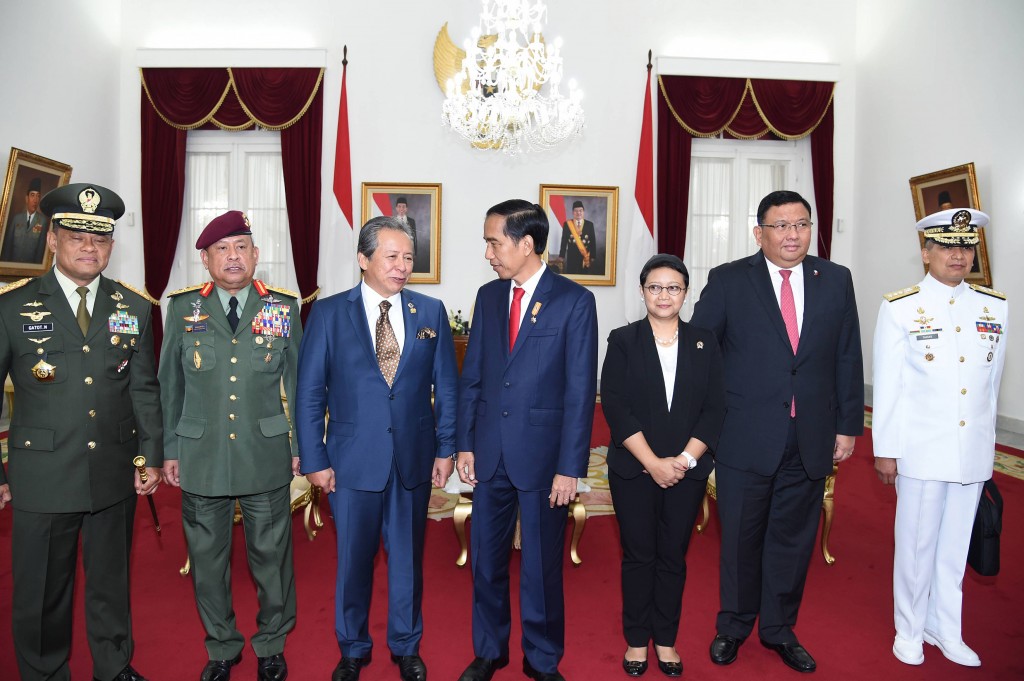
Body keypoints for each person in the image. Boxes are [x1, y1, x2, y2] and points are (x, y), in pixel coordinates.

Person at [690, 190, 864, 674]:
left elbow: (848, 355)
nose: (793, 234)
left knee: (792, 538)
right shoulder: (728, 280)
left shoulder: (835, 280)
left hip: (811, 434)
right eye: (781, 225)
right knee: (742, 538)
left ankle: (780, 630)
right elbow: (703, 353)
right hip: (745, 435)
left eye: (801, 224)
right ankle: (734, 625)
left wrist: (848, 425)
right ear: (759, 232)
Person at [0, 182, 162, 681]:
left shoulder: (132, 307)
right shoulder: (12, 306)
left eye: (101, 238)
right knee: (44, 588)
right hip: (43, 473)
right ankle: (46, 672)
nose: (90, 247)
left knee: (111, 581)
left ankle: (113, 665)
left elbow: (144, 389)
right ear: (52, 239)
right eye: (77, 236)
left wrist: (151, 456)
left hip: (114, 468)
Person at [294, 216, 457, 681]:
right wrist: (315, 460)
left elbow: (447, 387)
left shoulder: (429, 312)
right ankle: (353, 648)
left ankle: (406, 645)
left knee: (407, 561)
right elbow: (310, 394)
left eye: (409, 257)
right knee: (352, 562)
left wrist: (445, 450)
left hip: (413, 460)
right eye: (392, 256)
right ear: (363, 259)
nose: (403, 266)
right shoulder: (328, 314)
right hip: (349, 463)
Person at [455, 199, 598, 681]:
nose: (489, 253)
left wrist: (569, 467)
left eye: (494, 242)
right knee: (486, 565)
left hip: (544, 461)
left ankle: (541, 660)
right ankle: (488, 652)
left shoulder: (574, 301)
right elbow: (471, 377)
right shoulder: (490, 296)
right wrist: (465, 444)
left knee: (540, 570)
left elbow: (581, 392)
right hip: (490, 455)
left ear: (526, 244)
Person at [159, 210, 301, 681]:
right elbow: (169, 386)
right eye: (223, 249)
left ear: (256, 254)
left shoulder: (282, 307)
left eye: (242, 246)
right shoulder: (181, 309)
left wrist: (304, 445)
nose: (233, 256)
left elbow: (300, 384)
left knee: (272, 556)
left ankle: (272, 643)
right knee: (207, 559)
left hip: (265, 452)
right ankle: (222, 645)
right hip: (201, 454)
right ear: (205, 259)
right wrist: (170, 450)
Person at [872, 208, 1008, 668]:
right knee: (916, 546)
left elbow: (990, 389)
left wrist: (987, 449)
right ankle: (908, 629)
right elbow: (889, 389)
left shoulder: (995, 306)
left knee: (953, 550)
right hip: (921, 451)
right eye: (948, 246)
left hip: (970, 453)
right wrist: (887, 451)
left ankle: (945, 628)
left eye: (966, 246)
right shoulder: (901, 307)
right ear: (926, 252)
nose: (958, 255)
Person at [601, 254, 725, 678]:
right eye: (655, 287)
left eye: (673, 287)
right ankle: (637, 640)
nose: (664, 295)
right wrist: (654, 462)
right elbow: (616, 408)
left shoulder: (706, 340)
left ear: (685, 293)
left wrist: (685, 460)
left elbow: (715, 408)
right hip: (634, 468)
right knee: (638, 555)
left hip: (687, 471)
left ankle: (666, 640)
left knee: (673, 555)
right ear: (642, 291)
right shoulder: (622, 339)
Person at [1, 176, 48, 263]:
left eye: (38, 196)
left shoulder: (42, 221)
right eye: (32, 195)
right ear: (27, 198)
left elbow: (40, 251)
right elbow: (7, 246)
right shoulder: (16, 219)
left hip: (29, 268)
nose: (35, 200)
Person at [557, 200, 596, 275]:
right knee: (572, 277)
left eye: (580, 211)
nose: (578, 213)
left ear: (583, 212)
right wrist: (562, 255)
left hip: (585, 256)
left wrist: (593, 256)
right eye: (576, 211)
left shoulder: (589, 224)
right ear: (573, 212)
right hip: (572, 256)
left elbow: (593, 241)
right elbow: (564, 241)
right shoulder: (567, 224)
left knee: (584, 276)